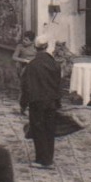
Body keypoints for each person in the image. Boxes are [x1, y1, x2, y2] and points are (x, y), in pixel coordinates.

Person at [20, 35, 62, 169]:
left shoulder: (32, 65)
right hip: (51, 101)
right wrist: (58, 102)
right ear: (46, 46)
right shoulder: (54, 64)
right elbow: (58, 84)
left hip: (37, 102)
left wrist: (23, 104)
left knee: (38, 129)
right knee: (50, 129)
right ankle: (48, 158)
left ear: (35, 47)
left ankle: (41, 160)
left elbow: (26, 86)